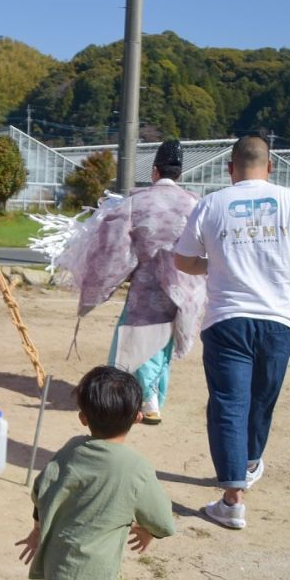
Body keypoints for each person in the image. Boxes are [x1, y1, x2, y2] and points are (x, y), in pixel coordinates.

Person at [174, 135, 290, 529]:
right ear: (270, 167)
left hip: (227, 320)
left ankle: (233, 500)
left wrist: (213, 265)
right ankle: (247, 462)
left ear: (230, 168)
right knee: (262, 400)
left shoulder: (212, 203)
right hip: (279, 320)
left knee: (229, 405)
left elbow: (183, 258)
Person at [15, 365, 175, 580]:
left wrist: (37, 528)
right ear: (137, 418)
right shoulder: (136, 468)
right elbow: (164, 520)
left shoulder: (73, 449)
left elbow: (42, 489)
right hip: (91, 571)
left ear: (83, 418)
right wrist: (148, 530)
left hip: (67, 557)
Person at [67, 140, 205, 425]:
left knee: (138, 341)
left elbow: (115, 250)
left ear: (155, 171)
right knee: (161, 342)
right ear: (179, 173)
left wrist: (100, 285)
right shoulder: (195, 205)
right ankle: (150, 396)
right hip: (185, 283)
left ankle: (146, 401)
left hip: (147, 285)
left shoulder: (137, 203)